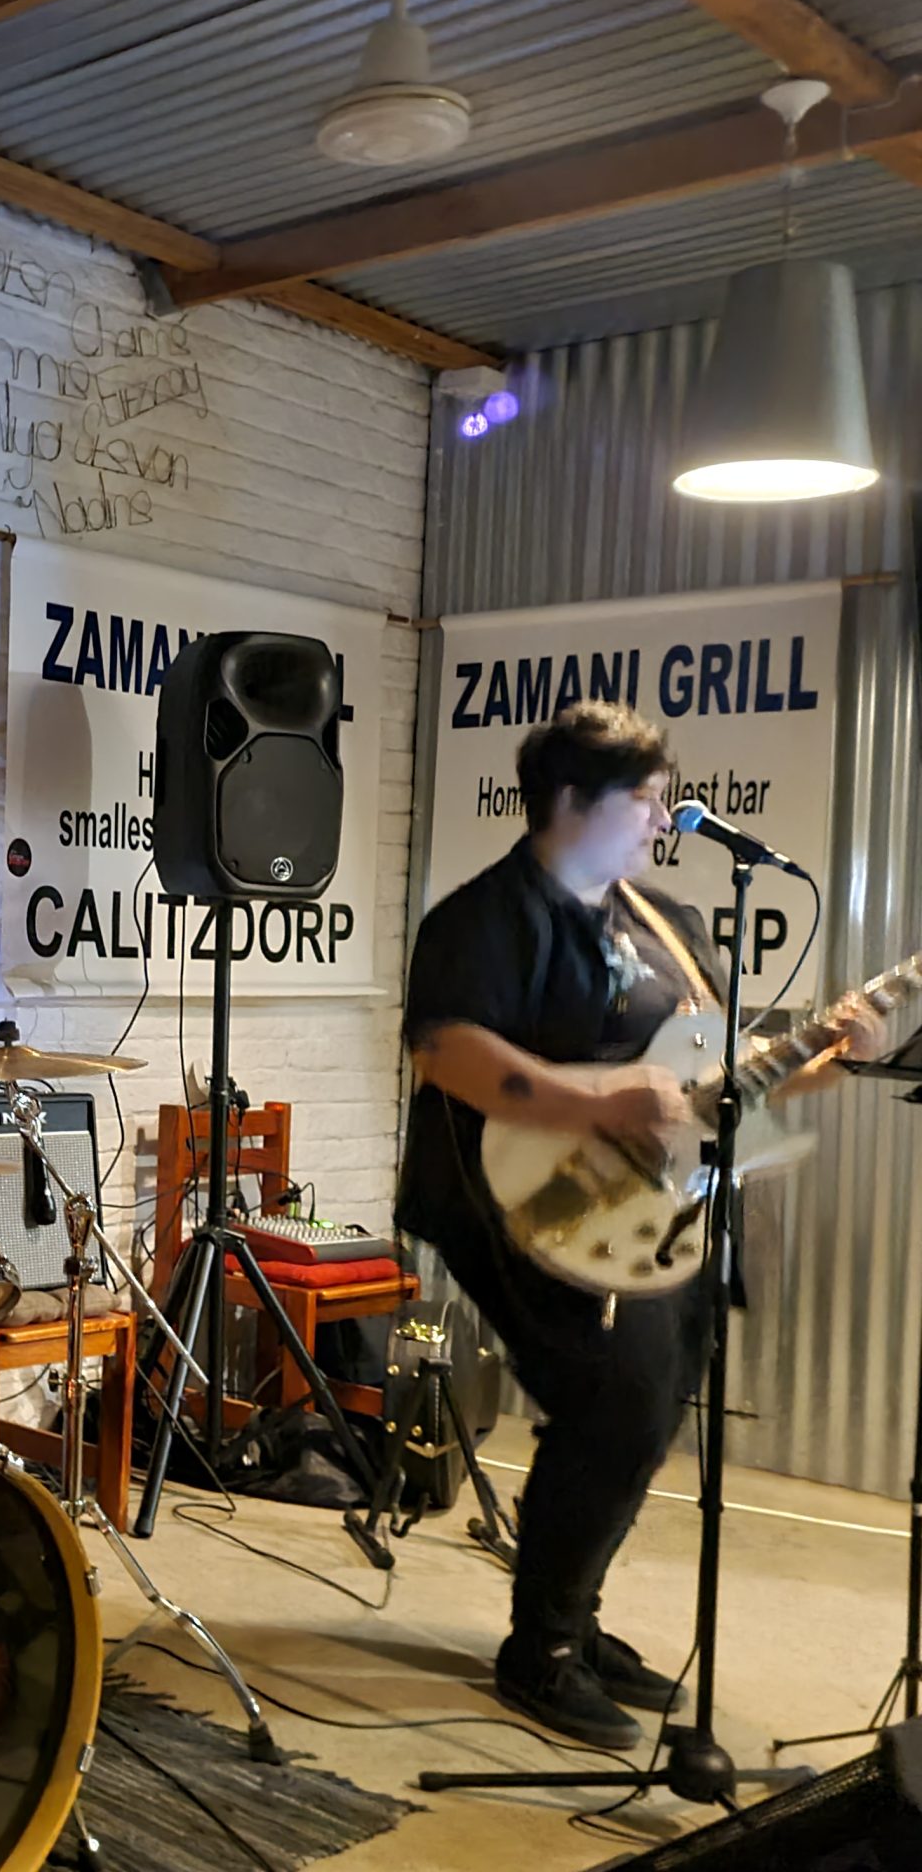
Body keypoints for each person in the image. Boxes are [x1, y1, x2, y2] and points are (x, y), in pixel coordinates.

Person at [398, 701, 879, 1749]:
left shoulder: (667, 921)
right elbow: (446, 1052)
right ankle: (540, 1649)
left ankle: (574, 1617)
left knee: (651, 1400)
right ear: (573, 799)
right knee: (614, 1399)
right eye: (648, 798)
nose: (667, 818)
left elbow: (714, 1083)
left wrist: (833, 1057)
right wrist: (598, 1102)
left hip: (647, 1213)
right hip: (511, 1203)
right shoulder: (487, 917)